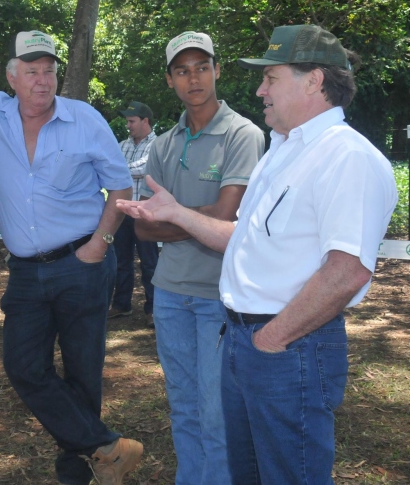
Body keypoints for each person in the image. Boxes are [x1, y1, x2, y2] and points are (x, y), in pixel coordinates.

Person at [118, 24, 397, 484]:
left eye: (271, 77)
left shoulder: (347, 157)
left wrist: (270, 339)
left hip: (289, 346)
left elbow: (347, 272)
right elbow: (244, 237)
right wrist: (179, 215)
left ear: (314, 81)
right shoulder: (282, 150)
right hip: (246, 338)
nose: (258, 88)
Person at [0, 0, 142, 485]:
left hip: (83, 263)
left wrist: (99, 245)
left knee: (84, 374)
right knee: (23, 367)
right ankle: (106, 447)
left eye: (49, 72)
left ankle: (81, 474)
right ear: (12, 77)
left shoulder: (84, 120)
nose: (42, 82)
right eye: (32, 72)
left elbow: (121, 185)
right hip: (25, 272)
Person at [133, 32, 264, 484]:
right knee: (183, 408)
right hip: (169, 291)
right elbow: (142, 226)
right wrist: (191, 220)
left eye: (202, 67)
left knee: (216, 413)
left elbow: (227, 216)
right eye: (183, 70)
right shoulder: (165, 143)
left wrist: (173, 217)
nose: (195, 78)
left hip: (219, 295)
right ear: (170, 80)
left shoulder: (244, 133)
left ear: (217, 71)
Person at [108, 101, 159, 326]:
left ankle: (153, 308)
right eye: (127, 121)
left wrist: (119, 171)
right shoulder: (122, 145)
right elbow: (111, 168)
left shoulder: (158, 145)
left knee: (149, 262)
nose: (127, 125)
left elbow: (145, 168)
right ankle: (121, 305)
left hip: (145, 212)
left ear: (145, 121)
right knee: (121, 260)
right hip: (121, 212)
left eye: (131, 121)